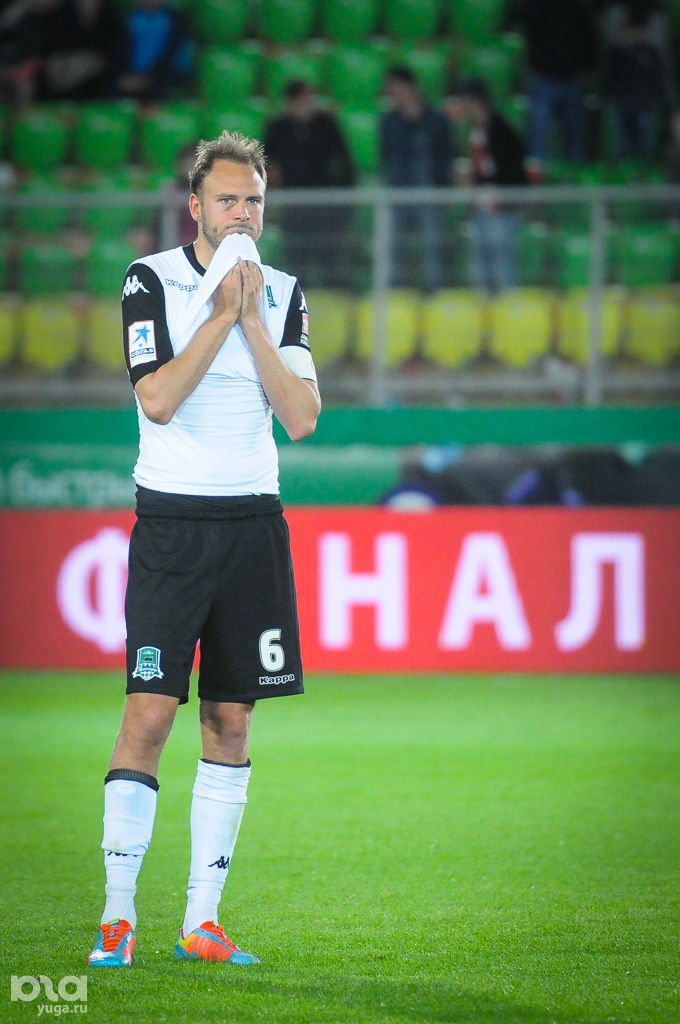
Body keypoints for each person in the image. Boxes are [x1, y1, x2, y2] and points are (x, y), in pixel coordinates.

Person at [86, 130, 321, 969]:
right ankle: (118, 915)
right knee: (149, 713)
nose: (242, 213)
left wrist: (252, 319)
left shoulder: (283, 293)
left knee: (231, 717)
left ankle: (202, 921)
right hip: (174, 527)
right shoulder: (150, 280)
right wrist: (221, 313)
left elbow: (301, 416)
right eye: (228, 199)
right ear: (196, 207)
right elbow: (156, 398)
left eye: (253, 200)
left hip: (254, 525)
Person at [263, 79, 356, 288]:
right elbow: (264, 164)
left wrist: (342, 197)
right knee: (297, 256)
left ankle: (331, 299)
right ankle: (298, 301)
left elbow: (345, 163)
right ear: (291, 102)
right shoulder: (278, 128)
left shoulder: (326, 125)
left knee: (329, 255)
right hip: (293, 205)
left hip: (326, 204)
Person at [448, 79, 528, 294]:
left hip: (501, 209)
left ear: (474, 101)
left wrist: (502, 198)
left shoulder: (502, 131)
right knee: (480, 264)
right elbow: (483, 169)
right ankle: (484, 309)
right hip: (481, 208)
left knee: (502, 263)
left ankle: (507, 308)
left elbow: (512, 171)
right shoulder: (476, 132)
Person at [379, 65, 454, 292]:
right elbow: (386, 156)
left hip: (428, 194)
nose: (395, 96)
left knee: (431, 246)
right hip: (397, 192)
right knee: (393, 245)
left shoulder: (436, 121)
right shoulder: (389, 122)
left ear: (411, 88)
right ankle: (397, 293)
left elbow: (445, 158)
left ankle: (434, 292)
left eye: (398, 90)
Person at [507, 0, 598, 173]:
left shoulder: (576, 8)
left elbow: (590, 38)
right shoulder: (537, 6)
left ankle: (575, 176)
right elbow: (518, 18)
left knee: (575, 132)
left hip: (572, 79)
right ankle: (537, 177)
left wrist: (586, 68)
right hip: (543, 78)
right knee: (539, 131)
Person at [601, 3, 672, 160]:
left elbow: (659, 78)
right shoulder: (617, 53)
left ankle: (645, 162)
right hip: (621, 101)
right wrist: (605, 94)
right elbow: (609, 76)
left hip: (644, 101)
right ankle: (621, 163)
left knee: (644, 134)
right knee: (620, 137)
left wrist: (666, 99)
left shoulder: (651, 53)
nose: (635, 35)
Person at [117, 0, 193, 103]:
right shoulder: (125, 18)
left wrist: (148, 78)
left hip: (165, 75)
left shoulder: (177, 19)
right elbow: (119, 51)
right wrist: (128, 76)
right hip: (130, 75)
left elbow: (172, 53)